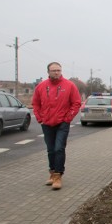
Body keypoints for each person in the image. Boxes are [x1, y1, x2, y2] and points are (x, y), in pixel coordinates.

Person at [32, 62, 82, 190]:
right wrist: (40, 118)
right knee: (50, 149)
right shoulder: (41, 87)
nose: (56, 72)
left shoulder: (69, 85)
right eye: (53, 70)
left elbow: (76, 103)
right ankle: (52, 173)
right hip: (46, 123)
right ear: (48, 72)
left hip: (62, 123)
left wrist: (68, 118)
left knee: (59, 148)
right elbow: (36, 104)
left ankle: (58, 175)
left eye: (58, 70)